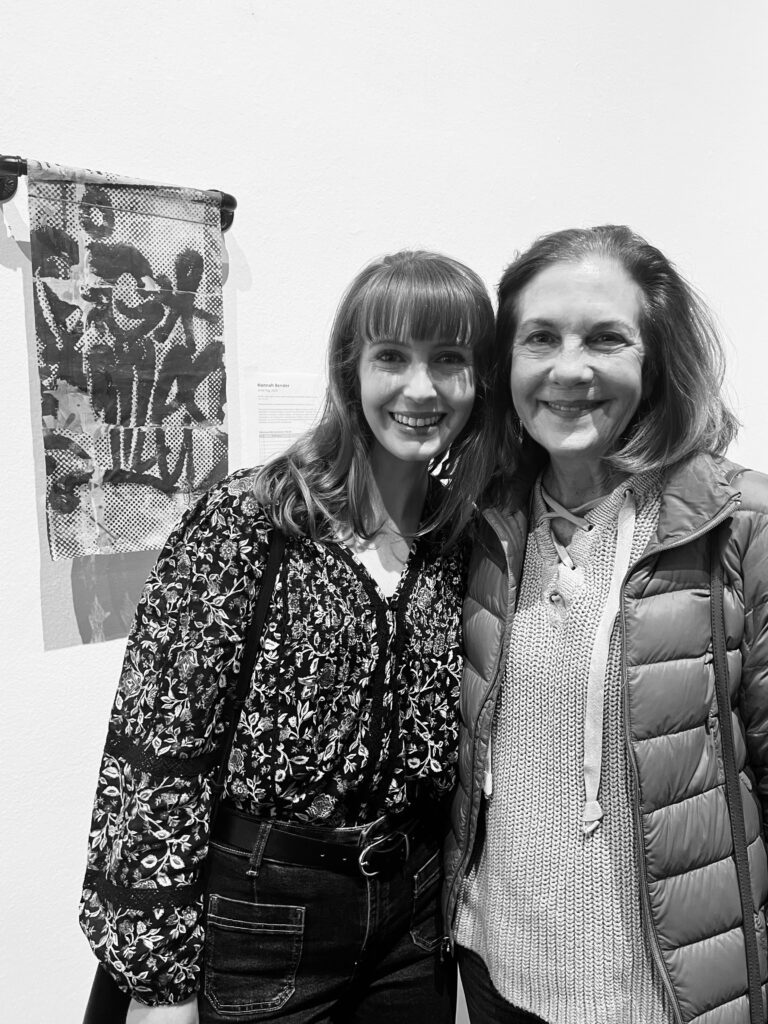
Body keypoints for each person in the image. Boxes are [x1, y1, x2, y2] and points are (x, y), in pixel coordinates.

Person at [79, 249, 496, 1023]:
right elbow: (157, 750)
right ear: (350, 368)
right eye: (392, 357)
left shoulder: (459, 538)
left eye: (450, 359)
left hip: (413, 920)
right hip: (261, 918)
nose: (422, 388)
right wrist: (158, 984)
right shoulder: (254, 522)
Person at [444, 225, 768, 1024]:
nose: (569, 369)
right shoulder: (483, 523)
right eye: (540, 338)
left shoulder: (738, 524)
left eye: (605, 339)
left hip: (668, 998)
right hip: (495, 974)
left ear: (654, 361)